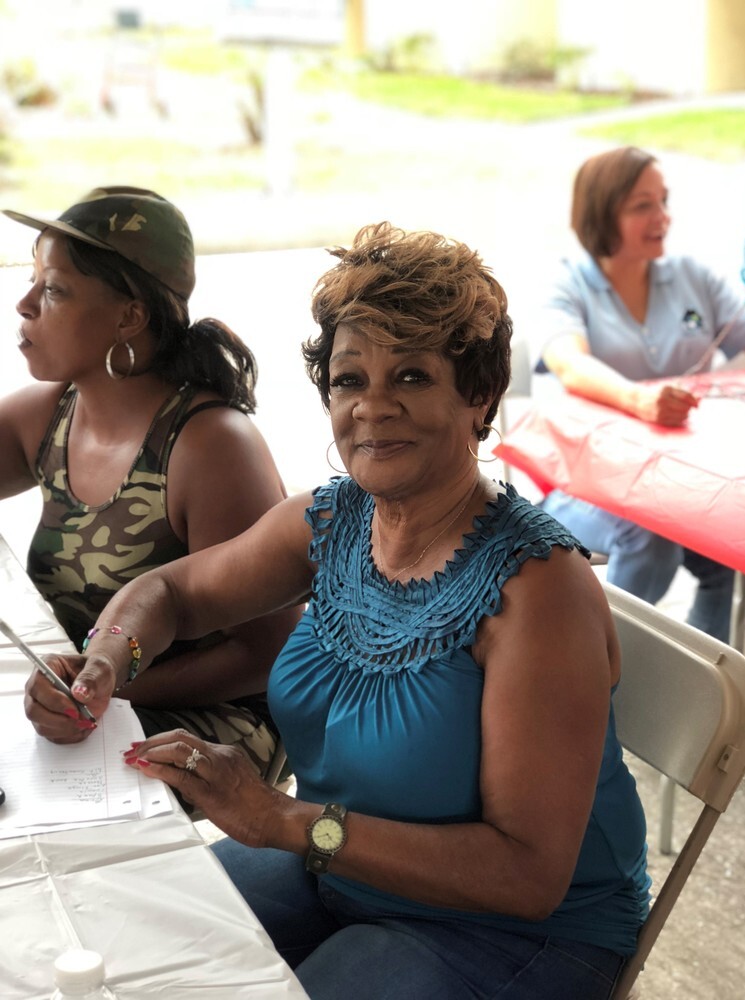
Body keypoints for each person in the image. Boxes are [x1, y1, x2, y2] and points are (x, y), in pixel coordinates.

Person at [34, 222, 650, 1000]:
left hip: (516, 931)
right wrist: (107, 661)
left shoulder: (537, 591)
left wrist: (283, 821)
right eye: (350, 379)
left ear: (480, 395)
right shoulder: (333, 522)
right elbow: (172, 593)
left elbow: (526, 875)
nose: (373, 408)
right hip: (339, 866)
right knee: (119, 941)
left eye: (413, 376)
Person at [3, 186, 300, 777]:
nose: (24, 303)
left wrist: (102, 693)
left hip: (213, 719)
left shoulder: (210, 446)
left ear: (130, 316)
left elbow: (265, 655)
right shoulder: (51, 414)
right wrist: (85, 692)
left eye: (54, 289)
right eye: (33, 281)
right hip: (82, 696)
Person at [537, 146, 745, 643]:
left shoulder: (693, 277)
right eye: (642, 206)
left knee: (734, 541)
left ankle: (710, 679)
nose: (662, 217)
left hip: (685, 485)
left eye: (664, 201)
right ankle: (603, 663)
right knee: (649, 536)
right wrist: (639, 401)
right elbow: (568, 362)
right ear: (601, 214)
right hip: (586, 485)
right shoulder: (569, 284)